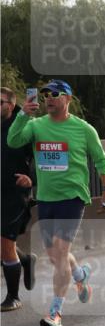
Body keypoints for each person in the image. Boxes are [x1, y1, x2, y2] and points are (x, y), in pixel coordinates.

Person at [7, 80, 105, 326]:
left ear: (67, 98)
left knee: (59, 248)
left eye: (55, 94)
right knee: (57, 256)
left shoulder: (83, 129)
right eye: (45, 94)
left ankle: (55, 311)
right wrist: (23, 114)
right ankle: (80, 275)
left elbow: (101, 160)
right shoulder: (35, 125)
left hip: (73, 197)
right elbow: (13, 141)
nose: (49, 98)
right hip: (46, 197)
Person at [1, 87, 36, 310]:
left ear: (11, 105)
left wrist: (31, 178)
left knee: (5, 242)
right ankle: (24, 260)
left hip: (16, 192)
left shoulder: (23, 126)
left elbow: (39, 155)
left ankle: (13, 297)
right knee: (4, 245)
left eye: (0, 102)